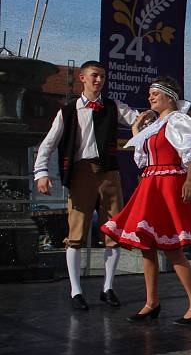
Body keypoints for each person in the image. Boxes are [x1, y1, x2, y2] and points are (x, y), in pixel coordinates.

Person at [101, 77, 191, 325]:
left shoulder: (178, 120)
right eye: (150, 94)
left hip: (169, 184)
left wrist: (190, 180)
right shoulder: (157, 125)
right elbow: (143, 159)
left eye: (155, 94)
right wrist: (136, 131)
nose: (150, 97)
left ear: (169, 97)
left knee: (172, 248)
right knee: (147, 247)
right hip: (151, 185)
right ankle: (151, 302)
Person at [33, 60, 142, 311]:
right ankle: (76, 290)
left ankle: (108, 288)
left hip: (108, 174)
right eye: (94, 76)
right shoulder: (68, 111)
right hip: (80, 174)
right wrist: (41, 173)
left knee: (113, 233)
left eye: (102, 76)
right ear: (82, 78)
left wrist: (165, 115)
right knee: (76, 235)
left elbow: (139, 120)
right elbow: (48, 144)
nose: (99, 80)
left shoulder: (113, 106)